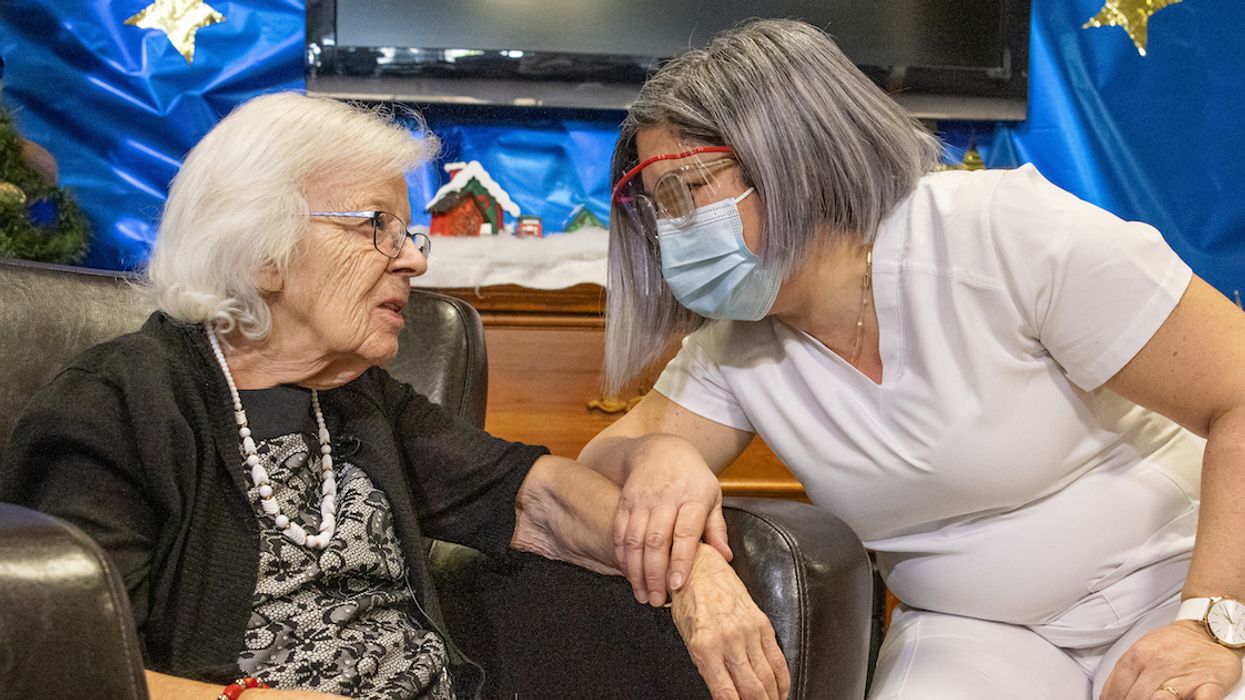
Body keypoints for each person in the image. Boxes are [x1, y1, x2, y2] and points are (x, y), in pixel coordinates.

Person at [0, 92, 789, 700]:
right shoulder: (121, 402)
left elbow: (538, 496)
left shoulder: (356, 396)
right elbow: (69, 666)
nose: (411, 260)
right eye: (377, 226)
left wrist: (696, 577)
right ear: (261, 246)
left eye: (406, 231)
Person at [581, 18, 1245, 700]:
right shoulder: (733, 345)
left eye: (689, 191)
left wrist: (1213, 625)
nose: (672, 232)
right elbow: (591, 474)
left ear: (796, 158)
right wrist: (654, 456)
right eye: (658, 208)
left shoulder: (1004, 234)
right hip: (976, 629)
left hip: (1180, 588)